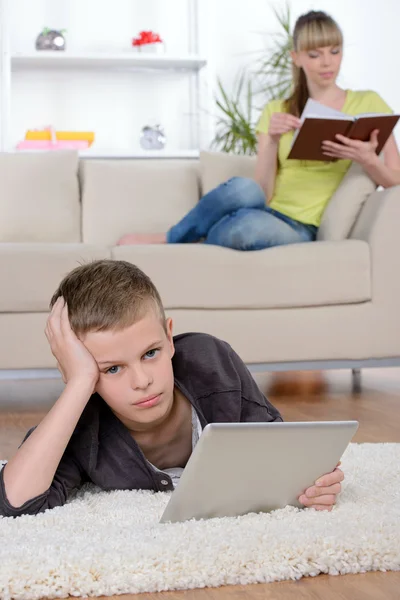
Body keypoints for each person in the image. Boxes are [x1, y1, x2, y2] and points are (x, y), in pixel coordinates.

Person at [0, 260, 343, 518]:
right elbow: (15, 501)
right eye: (112, 369)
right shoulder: (84, 423)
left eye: (151, 353)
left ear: (169, 336)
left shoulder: (211, 363)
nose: (141, 380)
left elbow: (280, 447)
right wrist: (78, 384)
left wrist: (313, 485)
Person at [117, 10, 400, 251]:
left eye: (334, 51)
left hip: (302, 228)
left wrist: (369, 161)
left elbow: (395, 181)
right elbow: (262, 192)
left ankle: (203, 237)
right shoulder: (277, 110)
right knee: (242, 187)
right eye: (315, 54)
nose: (327, 62)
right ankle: (172, 238)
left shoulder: (370, 102)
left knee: (244, 227)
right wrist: (273, 141)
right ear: (296, 58)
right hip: (267, 209)